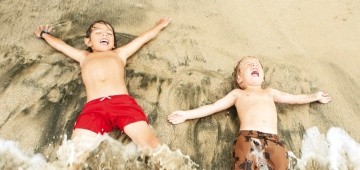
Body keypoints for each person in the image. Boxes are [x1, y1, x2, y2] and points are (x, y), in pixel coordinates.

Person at [35, 18, 171, 162]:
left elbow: (142, 39)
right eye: (98, 32)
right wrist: (44, 34)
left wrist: (159, 26)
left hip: (122, 104)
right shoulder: (84, 56)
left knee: (153, 146)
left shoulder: (119, 54)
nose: (105, 35)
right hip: (94, 109)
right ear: (88, 42)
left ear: (113, 44)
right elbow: (61, 46)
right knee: (74, 156)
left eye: (109, 34)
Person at [168, 56, 331, 170]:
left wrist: (314, 96)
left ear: (263, 76)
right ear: (239, 79)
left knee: (282, 164)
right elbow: (214, 106)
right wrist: (186, 114)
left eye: (257, 65)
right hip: (248, 137)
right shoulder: (238, 94)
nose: (254, 66)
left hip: (275, 141)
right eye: (248, 65)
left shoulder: (270, 92)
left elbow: (294, 98)